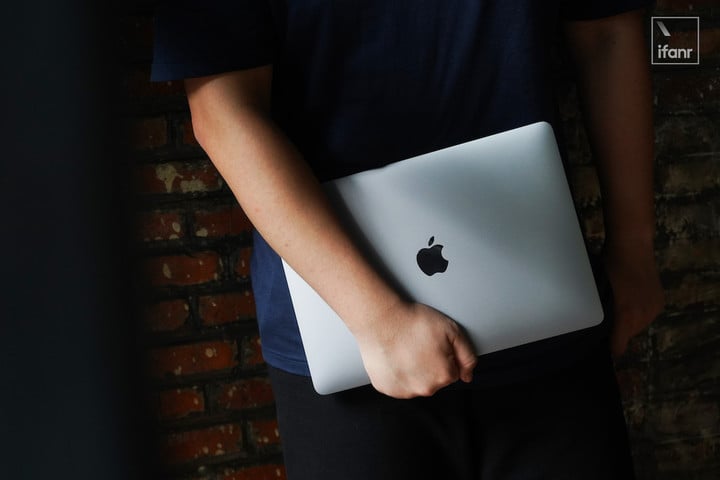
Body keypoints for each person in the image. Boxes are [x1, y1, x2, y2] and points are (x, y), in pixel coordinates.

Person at [152, 1, 665, 478]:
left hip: (548, 313)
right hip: (342, 332)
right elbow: (221, 109)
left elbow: (606, 33)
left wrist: (635, 252)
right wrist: (377, 318)